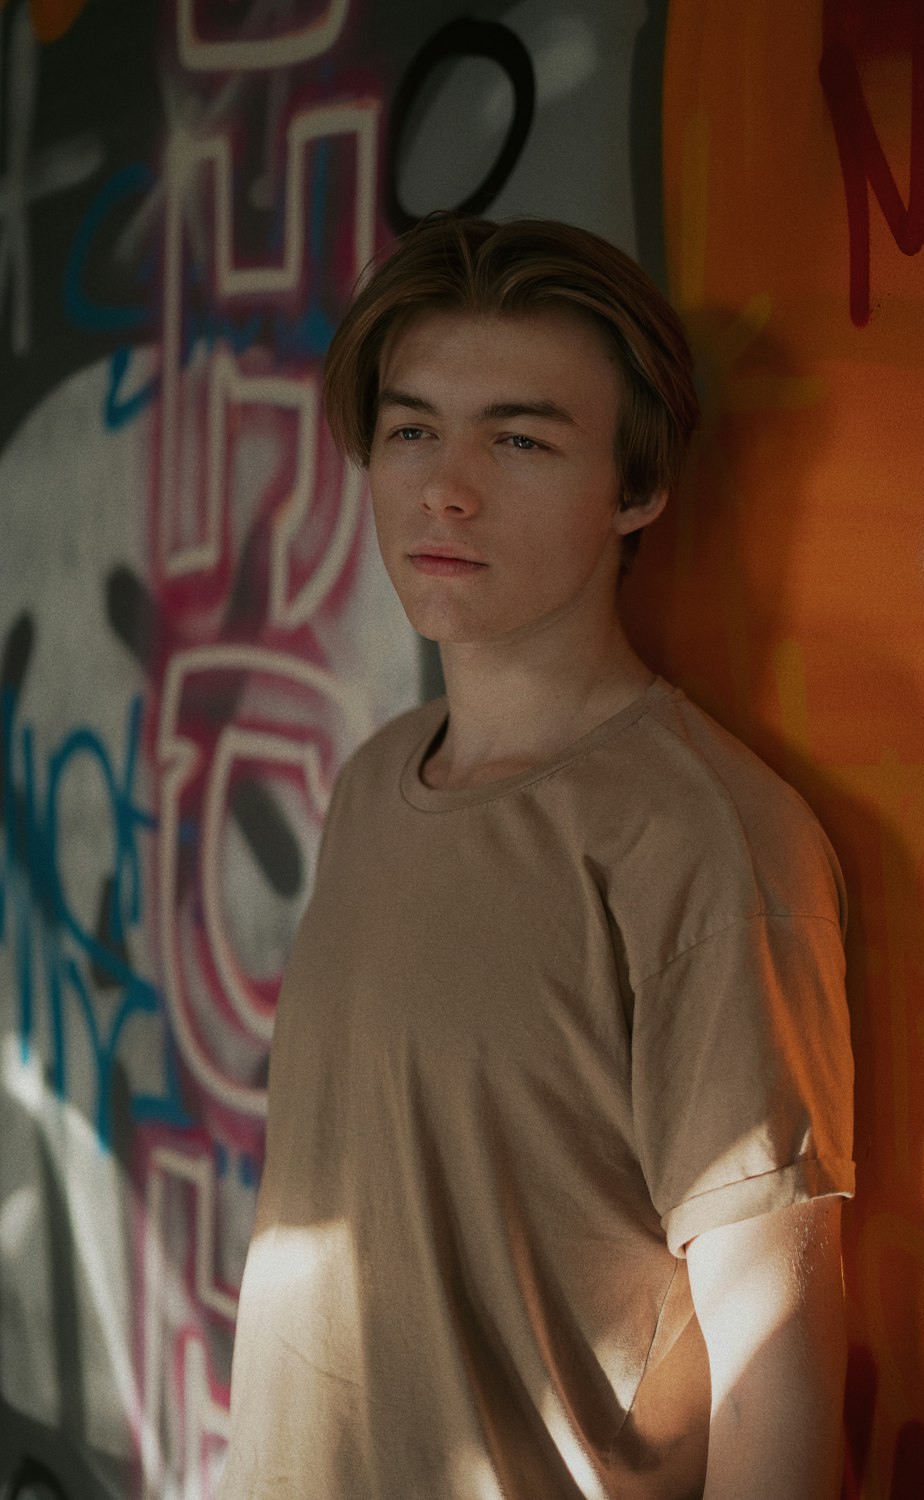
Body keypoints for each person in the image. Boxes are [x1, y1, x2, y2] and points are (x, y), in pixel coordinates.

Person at [218, 213, 855, 1500]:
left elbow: (773, 1383)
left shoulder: (701, 841)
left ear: (637, 488)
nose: (445, 487)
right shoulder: (372, 786)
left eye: (518, 438)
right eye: (411, 430)